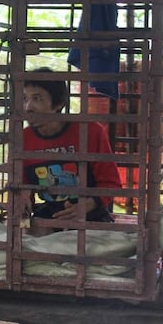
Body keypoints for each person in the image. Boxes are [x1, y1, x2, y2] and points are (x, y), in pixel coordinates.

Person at [21, 67, 122, 233]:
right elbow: (22, 191)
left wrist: (85, 206)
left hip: (90, 213)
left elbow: (111, 183)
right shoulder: (23, 138)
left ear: (58, 103)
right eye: (24, 98)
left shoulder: (90, 132)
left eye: (37, 98)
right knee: (31, 239)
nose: (28, 107)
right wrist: (22, 229)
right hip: (50, 213)